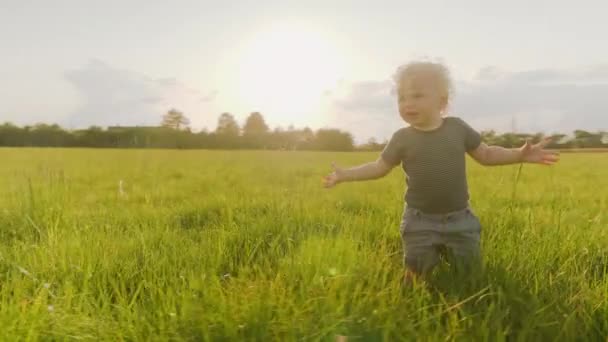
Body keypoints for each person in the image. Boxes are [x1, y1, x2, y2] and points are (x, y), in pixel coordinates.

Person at [323, 61, 559, 283]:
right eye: (402, 97)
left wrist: (519, 154)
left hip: (460, 219)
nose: (407, 103)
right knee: (417, 274)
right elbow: (378, 167)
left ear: (442, 102)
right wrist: (345, 174)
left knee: (469, 275)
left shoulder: (457, 128)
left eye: (417, 95)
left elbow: (486, 154)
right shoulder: (402, 139)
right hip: (419, 221)